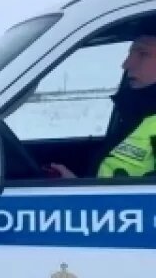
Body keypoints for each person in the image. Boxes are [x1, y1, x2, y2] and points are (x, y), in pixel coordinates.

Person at [48, 28, 156, 179]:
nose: (126, 64)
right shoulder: (135, 114)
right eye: (130, 54)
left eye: (143, 54)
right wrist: (75, 185)